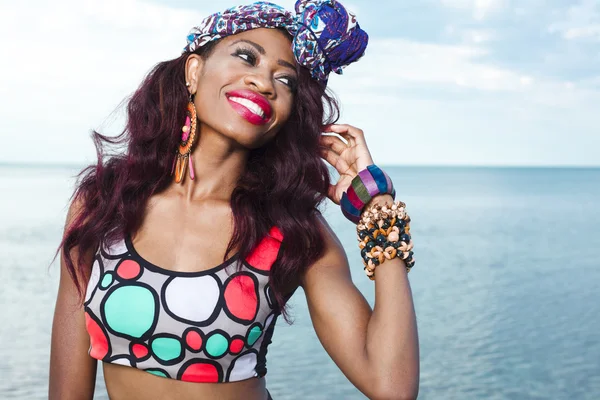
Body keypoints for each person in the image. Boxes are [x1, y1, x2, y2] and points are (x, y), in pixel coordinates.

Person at [48, 1, 420, 399]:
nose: (264, 83)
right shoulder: (105, 204)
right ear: (194, 71)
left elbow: (391, 386)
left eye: (286, 81)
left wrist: (376, 206)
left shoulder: (292, 232)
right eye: (246, 57)